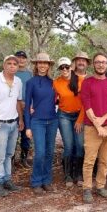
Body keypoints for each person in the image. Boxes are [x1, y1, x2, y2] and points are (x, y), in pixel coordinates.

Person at [80, 53, 107, 204]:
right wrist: (97, 125)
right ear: (93, 65)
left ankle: (100, 186)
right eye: (98, 62)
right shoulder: (87, 82)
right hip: (91, 127)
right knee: (89, 160)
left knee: (104, 160)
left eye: (103, 62)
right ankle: (87, 188)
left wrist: (102, 121)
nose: (101, 65)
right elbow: (87, 105)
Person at [0, 55, 24, 197]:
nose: (12, 66)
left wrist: (20, 120)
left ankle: (7, 180)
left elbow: (18, 102)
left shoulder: (18, 81)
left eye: (15, 64)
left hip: (13, 123)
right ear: (4, 65)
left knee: (9, 154)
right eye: (9, 63)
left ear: (18, 67)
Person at [24, 53, 58, 194]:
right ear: (36, 65)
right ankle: (36, 181)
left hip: (53, 120)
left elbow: (58, 100)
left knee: (50, 153)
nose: (43, 65)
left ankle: (47, 180)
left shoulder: (53, 82)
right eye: (40, 63)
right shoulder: (31, 82)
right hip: (37, 121)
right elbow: (27, 106)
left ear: (49, 65)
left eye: (45, 63)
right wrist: (28, 126)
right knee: (40, 153)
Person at [53, 57, 85, 188]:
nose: (65, 69)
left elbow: (85, 102)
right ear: (59, 69)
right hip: (64, 116)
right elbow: (51, 98)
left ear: (71, 67)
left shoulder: (81, 80)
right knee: (69, 145)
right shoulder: (56, 83)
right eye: (62, 67)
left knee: (79, 145)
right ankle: (68, 175)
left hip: (79, 115)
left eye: (67, 67)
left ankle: (78, 174)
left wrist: (80, 119)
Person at [14, 50, 33, 168]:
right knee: (13, 135)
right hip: (12, 109)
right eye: (18, 57)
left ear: (26, 60)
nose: (21, 60)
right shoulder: (11, 73)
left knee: (26, 135)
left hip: (26, 109)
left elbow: (32, 91)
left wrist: (30, 104)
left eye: (23, 58)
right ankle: (10, 160)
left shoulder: (29, 74)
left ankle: (24, 158)